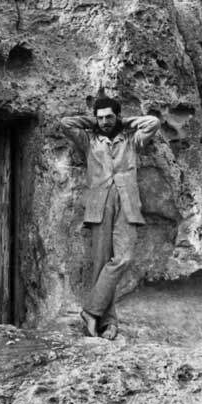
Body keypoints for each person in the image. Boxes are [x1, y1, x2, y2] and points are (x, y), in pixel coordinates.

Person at [59, 97, 160, 339]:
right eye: (100, 117)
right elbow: (66, 123)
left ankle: (91, 311)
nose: (105, 121)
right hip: (99, 205)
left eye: (109, 117)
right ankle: (108, 323)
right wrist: (92, 122)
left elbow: (153, 122)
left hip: (127, 204)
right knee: (102, 264)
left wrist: (124, 122)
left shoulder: (132, 140)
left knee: (122, 258)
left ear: (117, 116)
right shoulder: (89, 140)